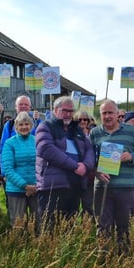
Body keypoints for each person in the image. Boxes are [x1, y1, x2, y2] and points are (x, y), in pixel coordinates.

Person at [90, 100, 134, 253]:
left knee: (124, 226)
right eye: (104, 113)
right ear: (100, 115)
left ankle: (123, 262)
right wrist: (97, 171)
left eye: (110, 113)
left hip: (125, 187)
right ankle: (104, 261)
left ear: (117, 114)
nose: (107, 116)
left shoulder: (131, 131)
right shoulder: (94, 133)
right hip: (102, 187)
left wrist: (131, 156)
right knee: (102, 226)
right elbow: (89, 158)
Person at [35, 96, 94, 230]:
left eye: (71, 111)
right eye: (64, 110)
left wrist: (85, 166)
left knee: (69, 228)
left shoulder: (77, 130)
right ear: (55, 110)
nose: (68, 114)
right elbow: (46, 149)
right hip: (53, 187)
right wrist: (74, 166)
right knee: (48, 228)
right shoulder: (46, 126)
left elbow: (89, 149)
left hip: (75, 185)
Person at [2, 112, 38, 227]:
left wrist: (37, 185)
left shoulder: (37, 141)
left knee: (39, 223)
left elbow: (44, 165)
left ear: (31, 126)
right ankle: (19, 244)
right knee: (18, 224)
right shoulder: (9, 143)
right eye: (21, 125)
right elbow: (8, 169)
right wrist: (25, 186)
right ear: (16, 127)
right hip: (16, 190)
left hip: (37, 189)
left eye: (26, 124)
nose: (24, 127)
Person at [74, 109, 95, 215]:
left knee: (88, 205)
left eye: (85, 119)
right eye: (79, 119)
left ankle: (88, 228)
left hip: (89, 175)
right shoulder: (70, 134)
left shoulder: (93, 134)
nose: (82, 121)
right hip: (75, 173)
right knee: (74, 205)